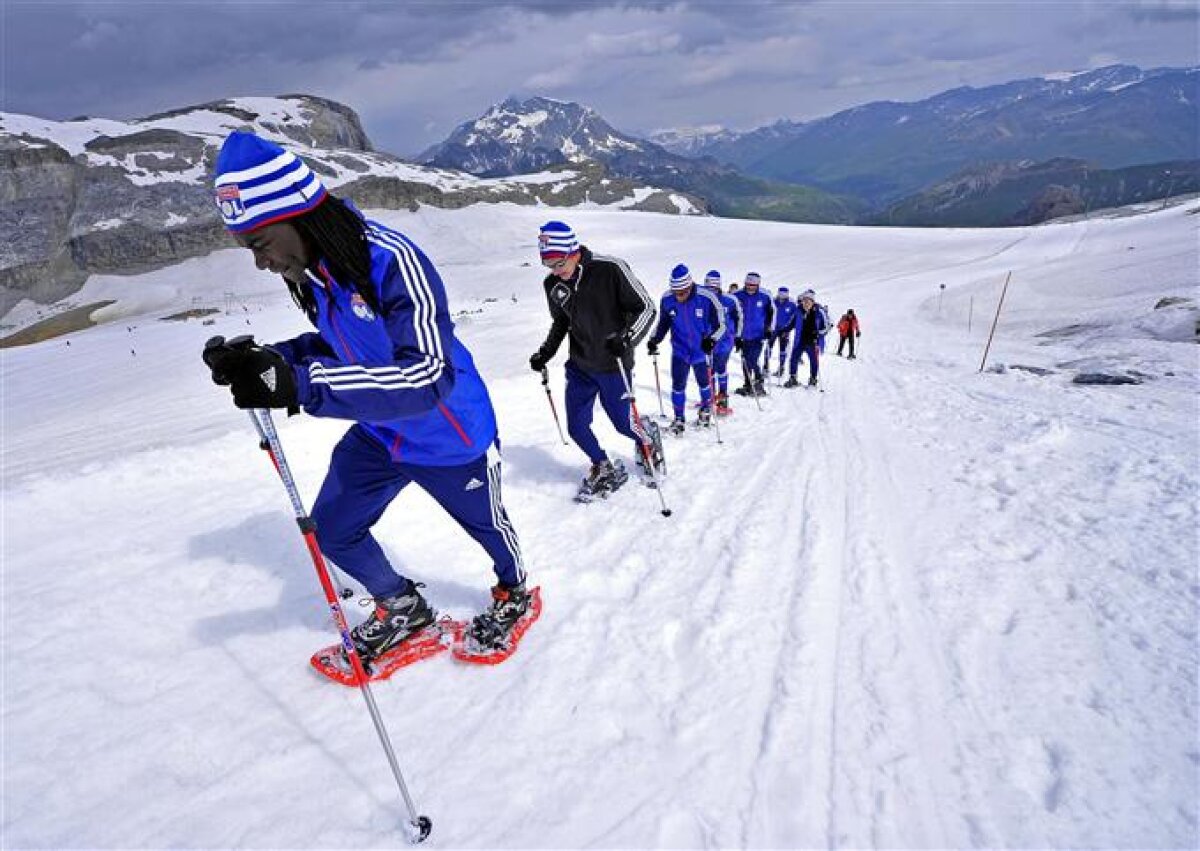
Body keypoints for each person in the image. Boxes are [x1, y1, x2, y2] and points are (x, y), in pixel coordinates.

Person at [202, 131, 531, 662]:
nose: (260, 263)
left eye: (259, 244)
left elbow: (427, 376)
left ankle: (513, 589)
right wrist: (270, 359)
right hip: (383, 432)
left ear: (296, 215)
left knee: (489, 527)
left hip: (449, 434)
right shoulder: (316, 276)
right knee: (332, 527)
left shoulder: (391, 261)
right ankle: (402, 606)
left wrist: (303, 385)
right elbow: (340, 346)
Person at [528, 220, 659, 498]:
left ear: (573, 251)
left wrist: (627, 337)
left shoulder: (610, 268)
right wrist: (546, 352)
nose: (555, 271)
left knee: (624, 425)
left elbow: (646, 308)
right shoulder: (553, 284)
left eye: (559, 263)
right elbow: (562, 322)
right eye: (548, 265)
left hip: (614, 365)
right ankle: (602, 465)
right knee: (576, 427)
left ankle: (647, 437)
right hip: (580, 367)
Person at [646, 264, 725, 435]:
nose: (679, 297)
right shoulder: (667, 299)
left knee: (704, 383)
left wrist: (712, 340)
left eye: (682, 293)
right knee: (678, 385)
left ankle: (705, 411)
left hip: (700, 350)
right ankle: (679, 419)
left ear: (690, 285)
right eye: (676, 293)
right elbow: (663, 324)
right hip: (680, 350)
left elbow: (721, 325)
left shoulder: (707, 297)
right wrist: (654, 340)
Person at [703, 270, 742, 415]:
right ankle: (711, 396)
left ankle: (723, 396)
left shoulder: (730, 300)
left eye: (713, 288)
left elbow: (740, 318)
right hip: (707, 340)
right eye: (708, 288)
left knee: (720, 367)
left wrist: (738, 337)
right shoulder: (701, 299)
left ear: (719, 286)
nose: (711, 291)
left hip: (725, 340)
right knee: (709, 369)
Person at [731, 272, 775, 396]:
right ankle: (748, 384)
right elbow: (731, 316)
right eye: (748, 284)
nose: (750, 287)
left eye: (753, 285)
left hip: (758, 335)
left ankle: (759, 381)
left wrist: (769, 329)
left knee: (753, 359)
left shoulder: (765, 296)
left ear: (758, 284)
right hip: (743, 335)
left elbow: (773, 313)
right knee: (744, 360)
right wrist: (735, 335)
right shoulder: (737, 295)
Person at [785, 288, 829, 388]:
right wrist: (784, 330)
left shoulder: (819, 312)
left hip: (812, 342)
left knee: (814, 361)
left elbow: (827, 327)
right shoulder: (798, 310)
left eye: (809, 301)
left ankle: (813, 379)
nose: (806, 303)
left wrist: (819, 333)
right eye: (804, 300)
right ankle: (793, 378)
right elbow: (791, 323)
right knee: (794, 359)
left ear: (813, 302)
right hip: (799, 340)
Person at [768, 286, 797, 377]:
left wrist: (789, 328)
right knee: (769, 347)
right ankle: (765, 366)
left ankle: (781, 368)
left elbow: (795, 316)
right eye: (780, 294)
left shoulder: (792, 303)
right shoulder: (773, 301)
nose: (782, 296)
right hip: (773, 328)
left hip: (785, 330)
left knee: (782, 349)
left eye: (784, 294)